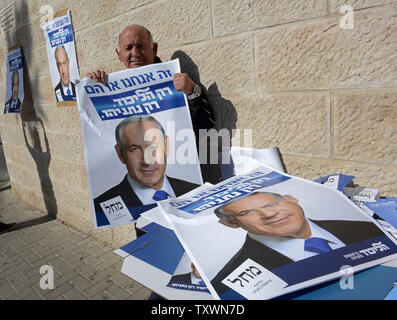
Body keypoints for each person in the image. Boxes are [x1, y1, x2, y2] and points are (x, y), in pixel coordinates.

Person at [86, 25, 220, 184]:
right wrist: (91, 87)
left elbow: (206, 125)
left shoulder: (175, 81)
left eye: (140, 46)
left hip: (186, 186)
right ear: (119, 54)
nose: (135, 53)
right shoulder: (107, 88)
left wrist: (192, 91)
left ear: (154, 48)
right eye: (128, 48)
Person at [211, 191, 384, 295]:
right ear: (230, 223)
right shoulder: (226, 285)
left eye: (271, 204)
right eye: (247, 212)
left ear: (291, 199)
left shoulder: (369, 228)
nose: (269, 214)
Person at [93, 114, 200, 228]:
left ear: (166, 146)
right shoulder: (100, 208)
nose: (147, 161)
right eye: (134, 149)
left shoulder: (195, 190)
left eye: (153, 147)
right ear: (120, 154)